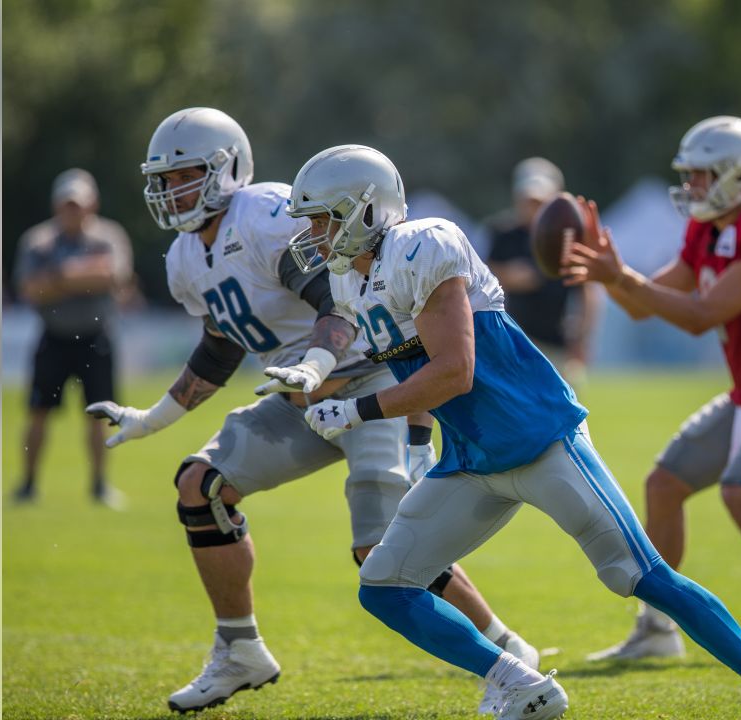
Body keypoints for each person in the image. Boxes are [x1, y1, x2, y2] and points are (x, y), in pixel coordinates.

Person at [277, 143, 741, 720]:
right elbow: (415, 361)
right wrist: (414, 444)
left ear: (367, 209)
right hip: (472, 459)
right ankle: (518, 681)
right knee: (383, 584)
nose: (313, 232)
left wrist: (358, 412)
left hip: (539, 440)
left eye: (322, 217)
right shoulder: (350, 284)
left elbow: (453, 372)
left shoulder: (423, 243)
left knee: (641, 575)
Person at [84, 108, 537, 715]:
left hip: (368, 384)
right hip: (296, 398)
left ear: (227, 168)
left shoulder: (267, 215)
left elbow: (336, 306)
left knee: (381, 553)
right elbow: (221, 348)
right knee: (201, 486)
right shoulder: (184, 259)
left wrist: (317, 369)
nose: (172, 191)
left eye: (184, 175)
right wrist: (154, 418)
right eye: (165, 180)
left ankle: (507, 649)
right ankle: (240, 650)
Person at [567, 116, 741, 666]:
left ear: (738, 175)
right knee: (663, 484)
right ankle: (657, 627)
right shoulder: (709, 229)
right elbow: (644, 305)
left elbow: (702, 315)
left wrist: (624, 279)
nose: (691, 186)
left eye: (700, 175)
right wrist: (610, 274)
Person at [12, 168, 134, 508]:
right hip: (54, 338)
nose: (73, 211)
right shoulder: (37, 241)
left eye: (78, 205)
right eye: (67, 205)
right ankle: (28, 484)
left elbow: (114, 276)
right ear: (56, 206)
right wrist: (83, 274)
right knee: (38, 412)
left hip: (96, 339)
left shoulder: (109, 235)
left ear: (91, 204)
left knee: (98, 415)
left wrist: (59, 277)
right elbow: (29, 289)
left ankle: (99, 485)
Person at [485, 157, 597, 387]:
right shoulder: (503, 234)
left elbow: (586, 290)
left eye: (540, 202)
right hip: (511, 342)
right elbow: (480, 278)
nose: (534, 208)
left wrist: (581, 338)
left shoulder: (571, 238)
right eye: (529, 201)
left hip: (556, 343)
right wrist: (508, 277)